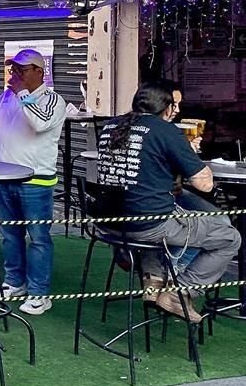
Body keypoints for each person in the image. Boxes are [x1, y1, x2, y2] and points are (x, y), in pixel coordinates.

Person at [96, 81, 239, 323]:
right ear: (166, 106)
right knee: (229, 237)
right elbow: (204, 184)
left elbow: (145, 166)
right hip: (149, 225)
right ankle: (179, 292)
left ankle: (154, 279)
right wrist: (188, 153)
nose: (179, 110)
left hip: (111, 221)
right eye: (177, 104)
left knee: (194, 215)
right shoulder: (166, 131)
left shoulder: (112, 125)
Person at [0, 49, 66, 315]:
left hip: (36, 181)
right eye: (13, 70)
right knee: (10, 235)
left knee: (38, 238)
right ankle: (14, 282)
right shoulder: (5, 97)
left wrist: (21, 93)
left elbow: (40, 124)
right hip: (5, 177)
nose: (15, 75)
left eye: (21, 70)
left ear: (39, 72)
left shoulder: (53, 100)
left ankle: (39, 293)